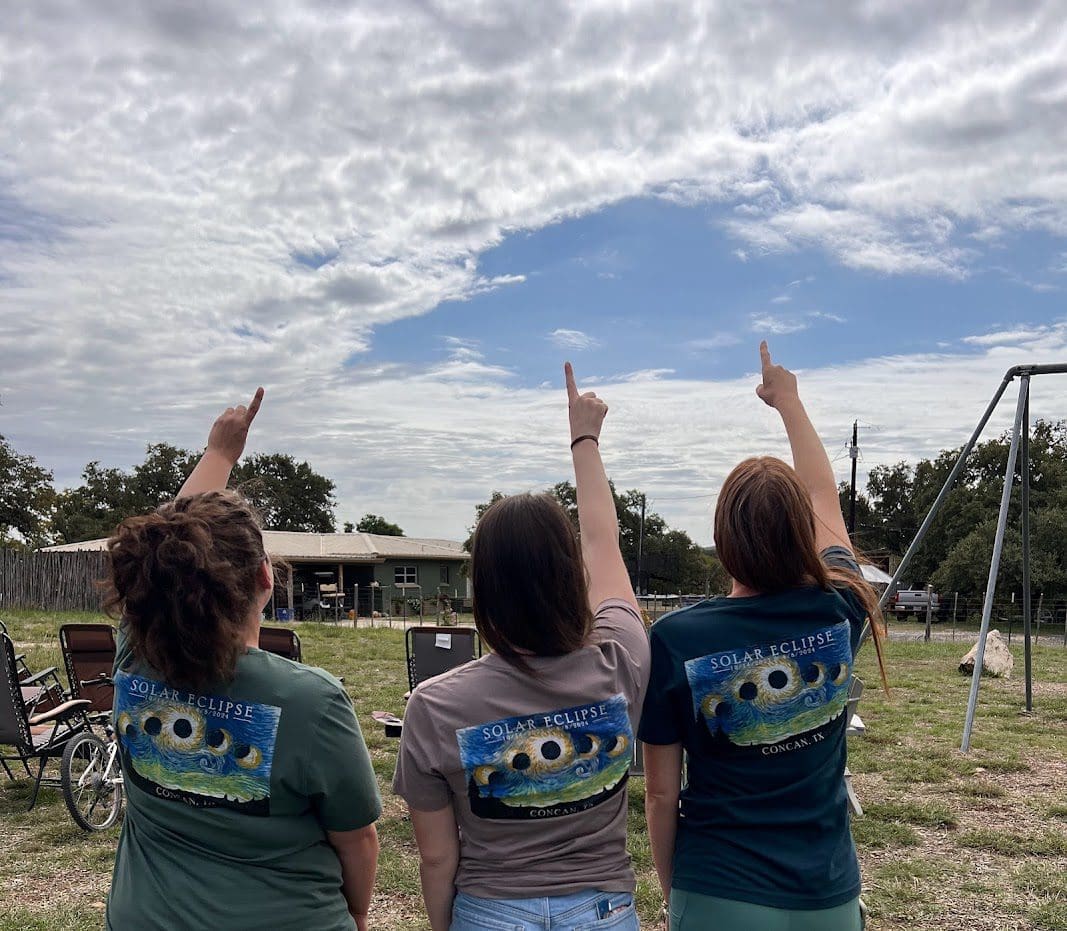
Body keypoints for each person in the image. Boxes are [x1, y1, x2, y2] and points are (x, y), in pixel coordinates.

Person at [103, 390, 381, 931]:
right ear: (265, 579)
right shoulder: (311, 700)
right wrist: (359, 915)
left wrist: (218, 454)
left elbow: (162, 561)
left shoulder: (136, 658)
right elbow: (357, 840)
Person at [393, 363, 651, 931]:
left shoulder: (433, 706)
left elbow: (437, 857)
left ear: (481, 588)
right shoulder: (622, 660)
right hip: (603, 910)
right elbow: (605, 545)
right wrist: (584, 439)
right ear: (570, 577)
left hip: (489, 911)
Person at [640, 342, 887, 931]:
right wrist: (789, 402)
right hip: (824, 896)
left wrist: (679, 889)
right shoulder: (841, 608)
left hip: (714, 887)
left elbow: (658, 795)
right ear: (800, 531)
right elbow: (826, 497)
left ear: (723, 538)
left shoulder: (675, 639)